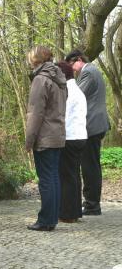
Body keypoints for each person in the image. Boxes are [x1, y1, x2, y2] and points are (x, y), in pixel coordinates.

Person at [25, 46, 67, 231]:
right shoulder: (59, 79)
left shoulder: (41, 80)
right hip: (57, 134)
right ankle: (51, 219)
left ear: (35, 60)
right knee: (54, 178)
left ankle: (45, 220)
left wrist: (29, 140)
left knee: (47, 180)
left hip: (45, 137)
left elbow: (35, 113)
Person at [65, 50, 110, 215]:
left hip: (92, 126)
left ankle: (92, 205)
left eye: (72, 65)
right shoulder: (90, 71)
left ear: (78, 59)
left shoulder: (89, 73)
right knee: (91, 165)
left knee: (90, 167)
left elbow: (75, 96)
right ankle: (91, 203)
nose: (73, 70)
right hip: (94, 125)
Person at [56, 61, 87, 223]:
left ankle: (67, 214)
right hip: (81, 136)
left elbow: (63, 116)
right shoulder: (78, 90)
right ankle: (74, 212)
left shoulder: (68, 91)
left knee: (67, 176)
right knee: (74, 175)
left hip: (70, 137)